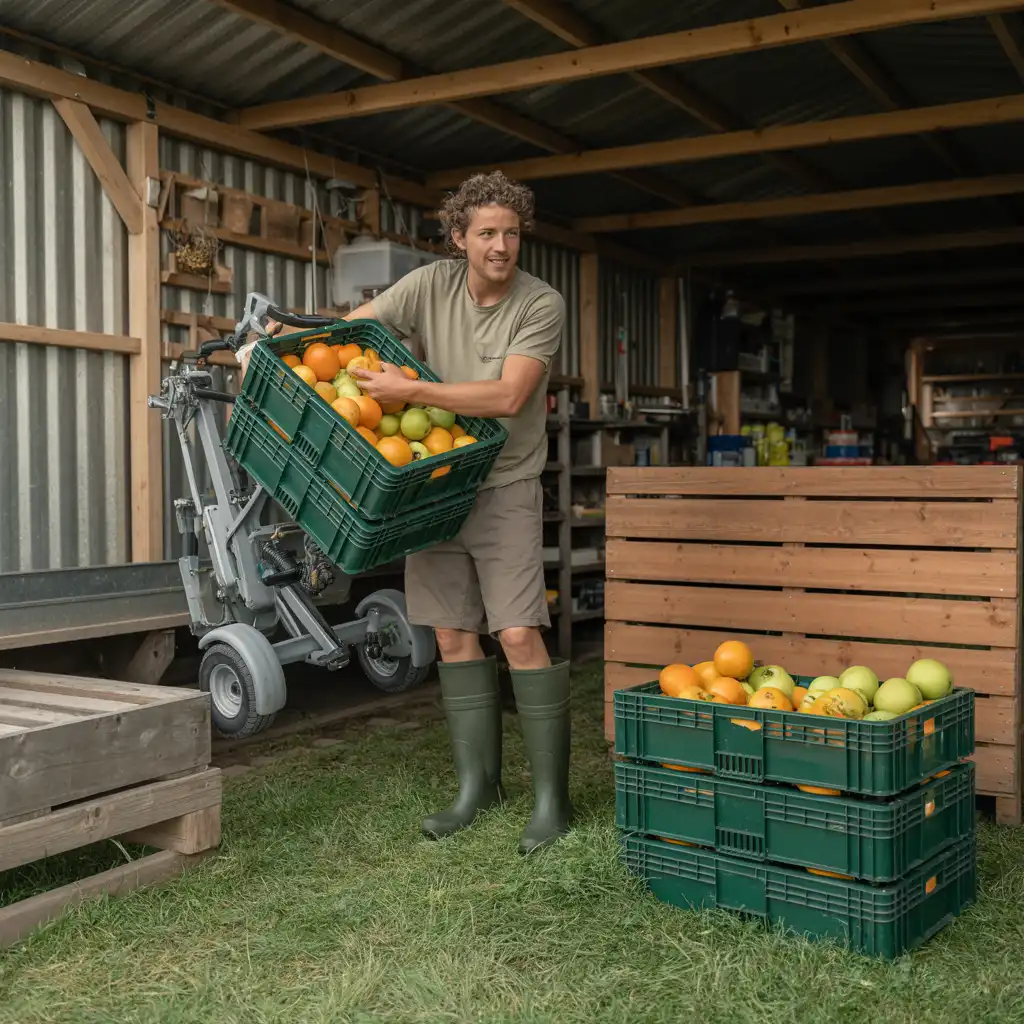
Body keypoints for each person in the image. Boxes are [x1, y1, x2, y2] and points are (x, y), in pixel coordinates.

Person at [238, 171, 572, 856]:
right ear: (459, 238)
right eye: (487, 233)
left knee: (514, 635)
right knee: (451, 634)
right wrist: (277, 346)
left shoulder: (541, 304)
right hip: (431, 483)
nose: (501, 246)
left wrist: (410, 387)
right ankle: (479, 787)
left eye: (510, 233)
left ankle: (552, 800)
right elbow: (355, 328)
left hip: (504, 484)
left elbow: (509, 398)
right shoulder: (429, 285)